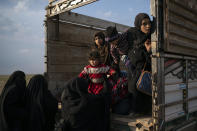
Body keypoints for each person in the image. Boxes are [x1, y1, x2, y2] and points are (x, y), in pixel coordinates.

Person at [128, 37, 152, 114]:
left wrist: (148, 50)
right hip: (137, 74)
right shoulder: (133, 51)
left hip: (144, 74)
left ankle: (141, 111)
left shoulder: (143, 50)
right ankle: (136, 111)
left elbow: (150, 63)